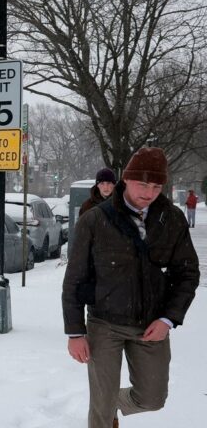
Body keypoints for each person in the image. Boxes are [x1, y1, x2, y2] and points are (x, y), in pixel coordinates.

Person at [63, 147, 200, 428]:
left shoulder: (171, 218)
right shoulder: (95, 219)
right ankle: (105, 405)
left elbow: (187, 273)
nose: (149, 192)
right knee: (100, 411)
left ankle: (113, 402)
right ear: (125, 180)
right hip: (104, 322)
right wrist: (75, 331)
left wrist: (167, 319)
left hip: (151, 324)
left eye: (156, 186)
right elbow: (74, 279)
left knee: (152, 398)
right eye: (142, 184)